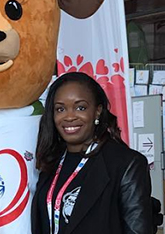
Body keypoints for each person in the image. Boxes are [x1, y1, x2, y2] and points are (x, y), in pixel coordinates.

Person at [32, 72, 155, 234]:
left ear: (97, 111)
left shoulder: (126, 164)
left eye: (80, 107)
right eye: (60, 109)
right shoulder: (50, 160)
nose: (69, 116)